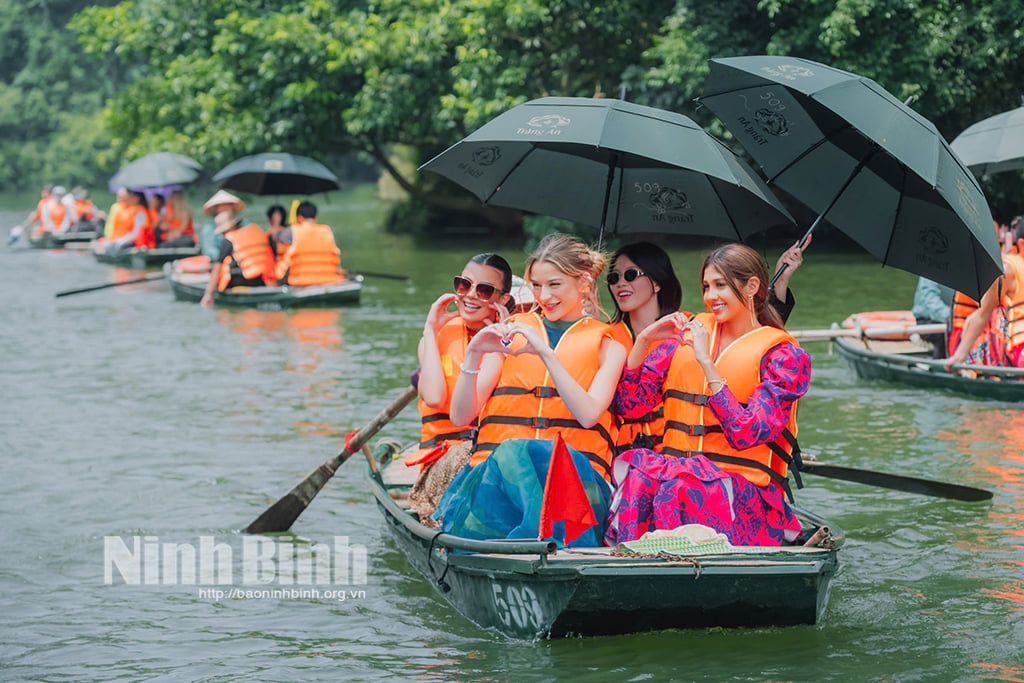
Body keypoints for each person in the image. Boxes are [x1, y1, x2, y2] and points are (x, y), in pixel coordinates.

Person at [606, 242, 810, 547]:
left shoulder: (784, 355)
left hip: (738, 491)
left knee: (684, 486)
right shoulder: (685, 334)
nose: (710, 296)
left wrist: (706, 363)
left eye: (720, 286)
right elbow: (631, 406)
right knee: (653, 479)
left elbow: (746, 433)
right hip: (672, 482)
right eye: (706, 286)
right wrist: (644, 342)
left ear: (752, 286)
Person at [450, 233, 628, 480]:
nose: (543, 297)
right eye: (535, 285)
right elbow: (460, 417)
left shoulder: (610, 347)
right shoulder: (510, 333)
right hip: (501, 477)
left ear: (584, 282)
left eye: (554, 285)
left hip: (572, 482)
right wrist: (473, 355)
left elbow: (588, 416)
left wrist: (545, 353)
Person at [405, 253, 514, 524]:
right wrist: (430, 330)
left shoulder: (512, 341)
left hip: (493, 458)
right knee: (468, 455)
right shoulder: (436, 338)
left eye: (485, 290)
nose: (471, 295)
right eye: (465, 285)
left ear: (502, 300)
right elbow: (433, 397)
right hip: (443, 461)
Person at [946, 217, 1024, 370]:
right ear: (1021, 244)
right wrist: (958, 356)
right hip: (979, 340)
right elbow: (983, 314)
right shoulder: (1007, 269)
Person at [200, 209, 275, 306]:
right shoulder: (255, 229)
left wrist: (208, 294)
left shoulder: (229, 240)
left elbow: (217, 268)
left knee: (224, 267)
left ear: (228, 228)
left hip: (243, 281)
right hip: (264, 280)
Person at [275, 201, 346, 286]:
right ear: (314, 218)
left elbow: (281, 267)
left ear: (299, 218)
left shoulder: (290, 232)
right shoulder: (326, 231)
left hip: (300, 282)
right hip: (330, 280)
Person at [911, 277, 954, 358]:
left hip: (954, 319)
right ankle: (939, 367)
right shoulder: (931, 270)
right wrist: (952, 317)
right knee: (944, 336)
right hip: (928, 320)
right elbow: (930, 301)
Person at [197, 190, 245, 261]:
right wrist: (228, 255)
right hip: (223, 262)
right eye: (222, 205)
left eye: (229, 204)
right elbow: (209, 251)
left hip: (243, 258)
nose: (226, 207)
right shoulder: (209, 228)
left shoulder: (243, 223)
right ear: (216, 208)